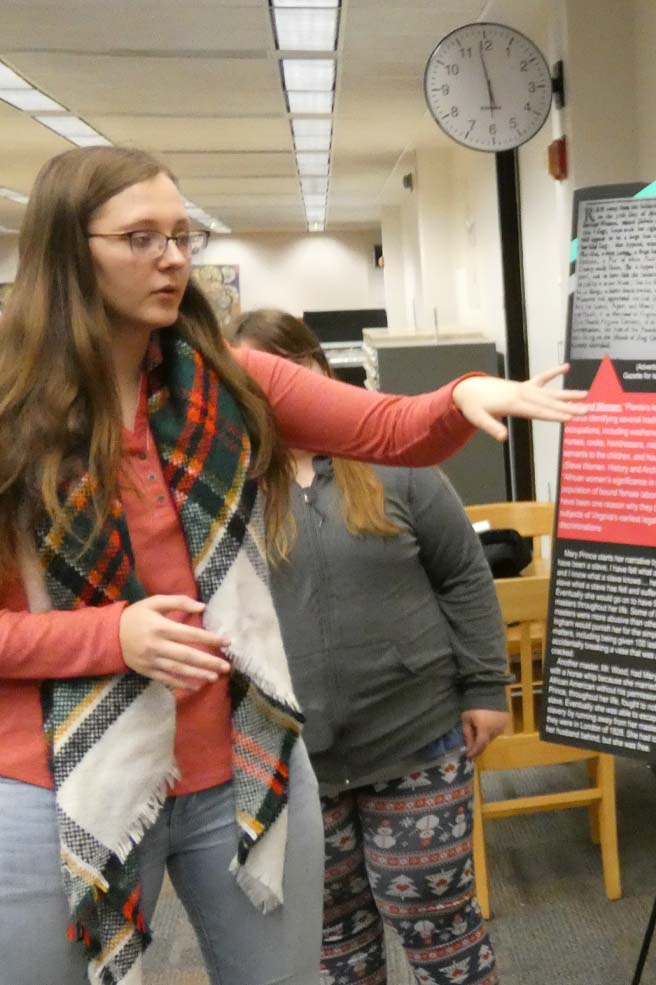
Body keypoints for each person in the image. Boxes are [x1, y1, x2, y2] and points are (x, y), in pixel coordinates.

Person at [0, 145, 584, 985]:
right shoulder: (13, 416)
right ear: (66, 249)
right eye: (140, 237)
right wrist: (109, 636)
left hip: (240, 761)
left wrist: (458, 399)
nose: (171, 257)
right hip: (57, 779)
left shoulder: (229, 385)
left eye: (181, 234)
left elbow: (389, 429)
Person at [231, 309, 510, 985]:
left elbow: (464, 572)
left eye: (291, 373)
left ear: (319, 373)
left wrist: (485, 685)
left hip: (414, 741)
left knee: (441, 927)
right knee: (335, 943)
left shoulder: (396, 463)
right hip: (295, 762)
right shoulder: (229, 488)